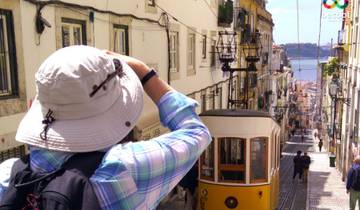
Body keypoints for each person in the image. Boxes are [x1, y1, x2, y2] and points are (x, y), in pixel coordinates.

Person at [0, 46, 212, 210]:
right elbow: (196, 132)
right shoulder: (122, 169)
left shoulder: (9, 175)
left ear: (37, 107)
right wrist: (144, 73)